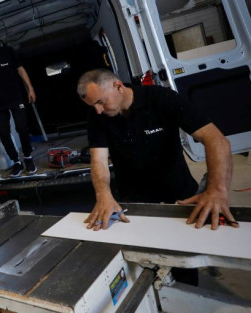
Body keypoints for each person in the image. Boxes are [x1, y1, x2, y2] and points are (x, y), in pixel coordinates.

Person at [76, 68, 236, 231]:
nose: (98, 110)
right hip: (135, 199)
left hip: (180, 193)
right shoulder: (97, 116)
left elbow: (216, 140)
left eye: (101, 102)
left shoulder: (161, 98)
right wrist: (103, 195)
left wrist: (216, 190)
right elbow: (99, 160)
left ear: (118, 86)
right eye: (92, 105)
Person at [0, 31, 37, 177]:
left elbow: (20, 70)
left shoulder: (8, 51)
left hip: (16, 98)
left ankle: (28, 157)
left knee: (21, 128)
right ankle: (16, 161)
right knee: (3, 133)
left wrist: (30, 88)